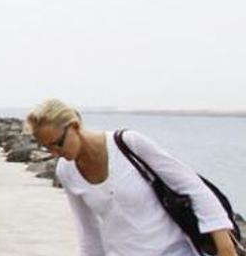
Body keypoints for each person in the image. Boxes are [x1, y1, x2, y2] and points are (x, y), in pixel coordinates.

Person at [27, 99, 238, 256]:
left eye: (57, 143)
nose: (54, 152)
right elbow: (88, 231)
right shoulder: (66, 171)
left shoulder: (128, 144)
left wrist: (225, 246)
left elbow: (193, 187)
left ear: (74, 126)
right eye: (46, 147)